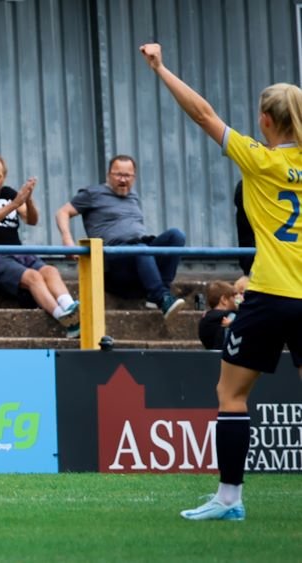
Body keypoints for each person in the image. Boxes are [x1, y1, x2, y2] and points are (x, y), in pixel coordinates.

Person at [140, 43, 302, 521]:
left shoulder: (260, 159)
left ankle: (229, 499)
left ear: (266, 122)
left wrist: (161, 68)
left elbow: (204, 114)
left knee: (231, 395)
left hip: (271, 294)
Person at [55, 155, 187, 321]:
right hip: (115, 260)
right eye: (118, 175)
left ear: (134, 177)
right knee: (140, 249)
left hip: (139, 252)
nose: (123, 180)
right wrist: (67, 240)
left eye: (127, 176)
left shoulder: (133, 196)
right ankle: (162, 297)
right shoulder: (92, 193)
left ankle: (160, 293)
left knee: (176, 236)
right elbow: (62, 212)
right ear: (108, 174)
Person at [0, 155, 80, 338]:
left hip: (18, 253)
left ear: (4, 176)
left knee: (50, 271)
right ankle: (65, 319)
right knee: (33, 277)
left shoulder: (9, 193)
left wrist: (28, 199)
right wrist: (15, 204)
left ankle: (70, 307)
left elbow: (32, 220)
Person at [198, 281, 238, 350]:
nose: (236, 300)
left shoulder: (206, 318)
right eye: (233, 297)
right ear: (224, 300)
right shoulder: (229, 316)